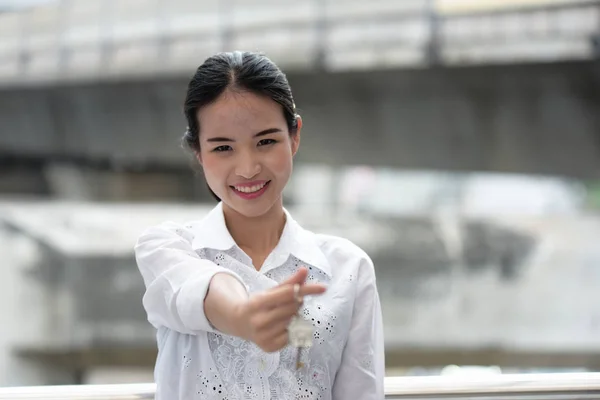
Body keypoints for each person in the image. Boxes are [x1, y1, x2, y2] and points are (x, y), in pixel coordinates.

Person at [134, 51, 385, 400]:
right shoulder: (166, 248)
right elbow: (198, 285)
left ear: (294, 135)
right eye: (223, 148)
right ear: (198, 153)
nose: (248, 168)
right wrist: (241, 315)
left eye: (266, 141)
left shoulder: (348, 268)